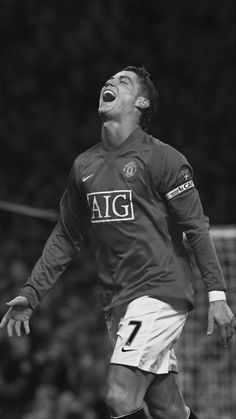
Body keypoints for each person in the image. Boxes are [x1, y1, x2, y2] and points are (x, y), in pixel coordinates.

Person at [0, 65, 235, 419]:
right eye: (109, 80)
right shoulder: (84, 166)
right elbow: (66, 234)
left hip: (159, 291)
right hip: (118, 300)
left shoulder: (164, 159)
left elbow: (196, 227)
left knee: (119, 396)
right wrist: (32, 294)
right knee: (167, 406)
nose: (109, 82)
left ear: (140, 102)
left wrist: (217, 295)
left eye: (123, 82)